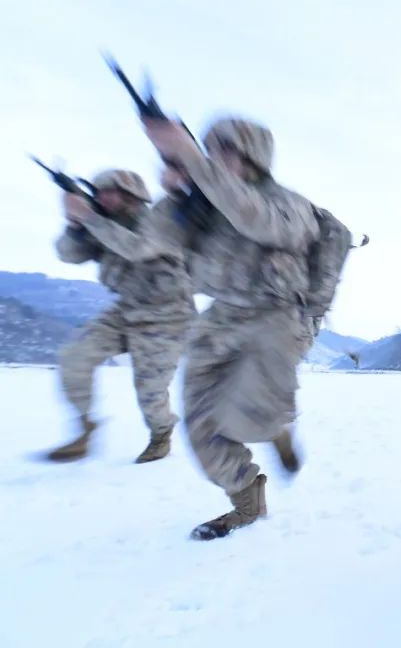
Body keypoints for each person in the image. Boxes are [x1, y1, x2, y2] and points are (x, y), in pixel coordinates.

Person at [143, 115, 320, 539]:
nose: (212, 159)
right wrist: (174, 193)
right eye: (209, 150)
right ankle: (245, 499)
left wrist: (193, 162)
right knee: (200, 423)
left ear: (253, 156)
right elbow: (154, 242)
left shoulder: (287, 203)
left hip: (276, 318)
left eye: (225, 150)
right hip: (221, 316)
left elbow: (254, 217)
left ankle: (273, 425)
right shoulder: (203, 206)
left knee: (249, 413)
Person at [47, 168, 194, 464]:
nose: (101, 197)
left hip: (168, 316)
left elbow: (137, 248)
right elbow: (68, 255)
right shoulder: (103, 226)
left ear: (131, 194)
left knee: (150, 391)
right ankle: (84, 427)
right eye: (98, 192)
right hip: (127, 309)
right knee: (75, 356)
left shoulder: (160, 221)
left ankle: (161, 432)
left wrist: (89, 218)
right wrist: (75, 224)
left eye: (108, 191)